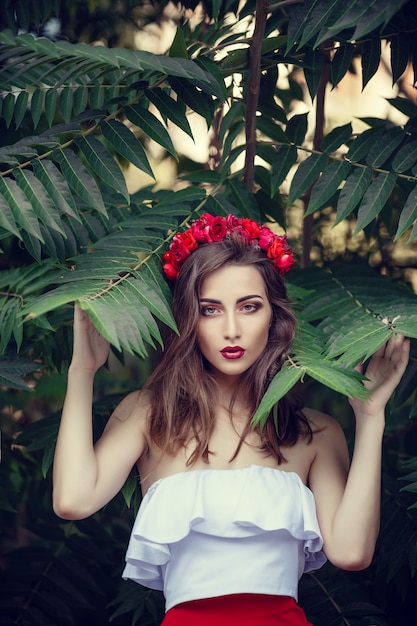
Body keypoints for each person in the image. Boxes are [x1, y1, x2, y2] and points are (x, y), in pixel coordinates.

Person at [52, 213, 410, 626]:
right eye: (210, 310)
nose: (232, 329)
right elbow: (72, 500)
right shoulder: (151, 414)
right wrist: (82, 372)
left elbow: (351, 553)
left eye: (249, 307)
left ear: (274, 316)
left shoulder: (313, 433)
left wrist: (370, 416)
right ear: (188, 318)